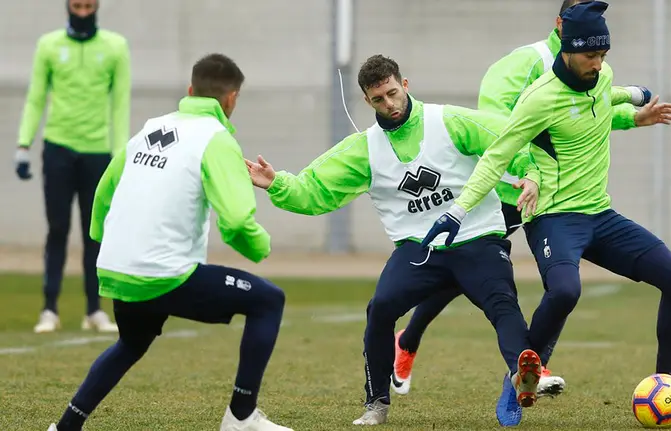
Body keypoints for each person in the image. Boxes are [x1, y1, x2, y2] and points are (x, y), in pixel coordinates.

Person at [421, 0, 671, 423]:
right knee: (565, 291)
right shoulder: (538, 99)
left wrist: (636, 110)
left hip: (600, 215)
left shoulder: (601, 75)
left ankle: (670, 390)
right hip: (554, 218)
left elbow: (600, 103)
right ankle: (520, 379)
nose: (598, 64)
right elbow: (496, 155)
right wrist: (458, 211)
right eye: (591, 56)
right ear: (567, 48)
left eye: (603, 55)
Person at [246, 54, 549, 427]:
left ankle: (523, 375)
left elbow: (510, 139)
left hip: (477, 238)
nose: (388, 105)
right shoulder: (363, 149)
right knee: (381, 308)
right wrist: (276, 183)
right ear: (367, 100)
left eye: (392, 93)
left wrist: (530, 172)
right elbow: (314, 190)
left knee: (503, 304)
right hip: (418, 250)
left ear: (405, 85)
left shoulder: (450, 121)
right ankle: (376, 403)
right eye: (378, 99)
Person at [391, 0, 650, 402]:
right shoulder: (525, 63)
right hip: (510, 188)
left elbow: (588, 112)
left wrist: (632, 115)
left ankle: (532, 363)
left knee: (558, 282)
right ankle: (408, 340)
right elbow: (499, 130)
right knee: (463, 270)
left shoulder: (589, 60)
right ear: (561, 21)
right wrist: (526, 174)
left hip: (557, 192)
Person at [47, 53, 292, 431]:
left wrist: (102, 240)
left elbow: (102, 194)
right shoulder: (217, 138)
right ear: (231, 99)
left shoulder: (150, 128)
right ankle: (241, 417)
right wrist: (260, 247)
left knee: (131, 343)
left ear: (190, 90)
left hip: (116, 270)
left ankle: (64, 427)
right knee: (268, 300)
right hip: (163, 274)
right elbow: (237, 219)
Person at [16, 0, 131, 334]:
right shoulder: (49, 45)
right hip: (58, 149)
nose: (83, 13)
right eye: (77, 6)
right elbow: (36, 96)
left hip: (98, 153)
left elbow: (120, 103)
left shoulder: (116, 46)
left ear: (97, 7)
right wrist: (24, 144)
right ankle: (49, 309)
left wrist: (120, 156)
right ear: (68, 6)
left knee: (94, 232)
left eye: (88, 6)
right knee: (57, 229)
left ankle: (94, 310)